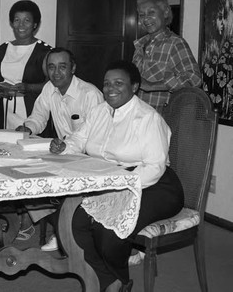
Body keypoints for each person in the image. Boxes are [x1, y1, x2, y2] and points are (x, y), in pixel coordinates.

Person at [51, 60, 184, 292]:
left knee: (108, 231)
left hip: (153, 184)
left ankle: (116, 283)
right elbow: (79, 140)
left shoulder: (148, 118)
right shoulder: (98, 111)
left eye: (118, 83)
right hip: (111, 180)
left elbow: (154, 167)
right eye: (106, 83)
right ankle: (109, 279)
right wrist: (64, 147)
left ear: (134, 86)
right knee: (71, 223)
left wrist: (121, 186)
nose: (110, 88)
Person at [14, 47, 103, 245]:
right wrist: (27, 128)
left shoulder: (90, 94)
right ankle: (50, 219)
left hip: (88, 156)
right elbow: (39, 116)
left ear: (73, 68)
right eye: (51, 67)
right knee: (25, 168)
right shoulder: (49, 89)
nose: (56, 73)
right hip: (62, 151)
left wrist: (66, 147)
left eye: (62, 67)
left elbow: (92, 136)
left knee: (46, 173)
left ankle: (65, 229)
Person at [133, 0, 201, 114]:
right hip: (138, 115)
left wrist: (153, 86)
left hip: (162, 117)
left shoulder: (175, 43)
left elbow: (194, 78)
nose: (146, 18)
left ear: (165, 13)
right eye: (142, 15)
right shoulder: (140, 45)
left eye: (151, 12)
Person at [0, 0, 52, 130]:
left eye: (27, 20)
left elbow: (53, 86)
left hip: (33, 116)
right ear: (12, 23)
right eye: (17, 20)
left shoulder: (44, 52)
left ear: (35, 24)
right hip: (3, 114)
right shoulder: (2, 50)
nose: (21, 25)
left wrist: (29, 87)